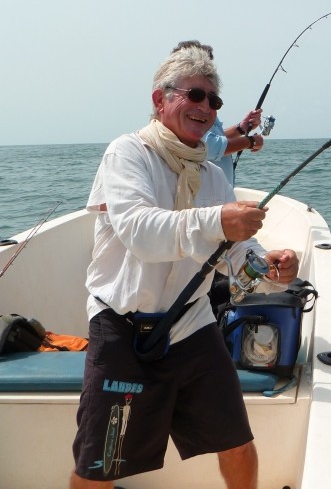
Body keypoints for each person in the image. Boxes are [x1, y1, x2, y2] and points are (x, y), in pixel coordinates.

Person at [70, 43, 299, 489]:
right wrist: (219, 220)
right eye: (195, 95)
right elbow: (141, 232)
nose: (206, 108)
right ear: (160, 99)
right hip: (121, 327)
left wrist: (267, 265)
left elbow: (234, 251)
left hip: (191, 325)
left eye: (214, 101)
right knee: (99, 466)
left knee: (237, 441)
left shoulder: (212, 175)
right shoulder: (127, 154)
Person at [170, 41, 265, 186]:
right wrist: (250, 142)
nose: (208, 73)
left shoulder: (204, 107)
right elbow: (210, 146)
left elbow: (210, 137)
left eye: (208, 68)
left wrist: (241, 128)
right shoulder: (186, 112)